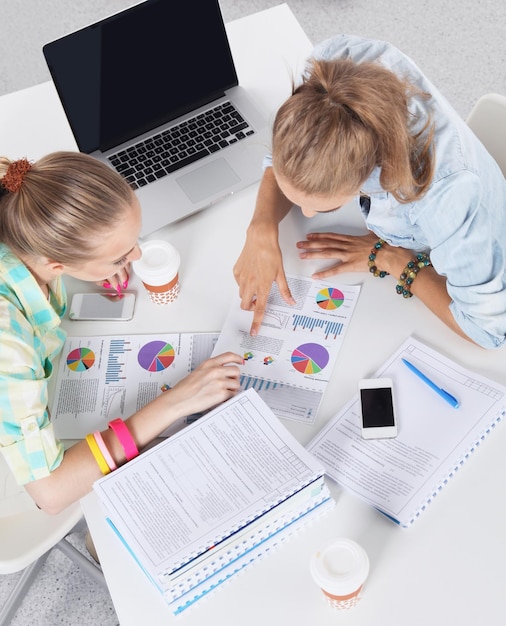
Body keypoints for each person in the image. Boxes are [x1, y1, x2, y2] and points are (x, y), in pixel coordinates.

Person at [0, 151, 242, 515]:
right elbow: (50, 492)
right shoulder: (9, 344)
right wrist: (176, 401)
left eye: (133, 241)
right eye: (120, 257)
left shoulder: (30, 202)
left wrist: (98, 261)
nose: (138, 254)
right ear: (57, 263)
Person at [233, 34, 506, 350]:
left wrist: (394, 259)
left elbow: (488, 330)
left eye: (322, 207)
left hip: (474, 253)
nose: (304, 212)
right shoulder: (333, 67)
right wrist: (262, 226)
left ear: (365, 175)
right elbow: (288, 153)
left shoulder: (443, 197)